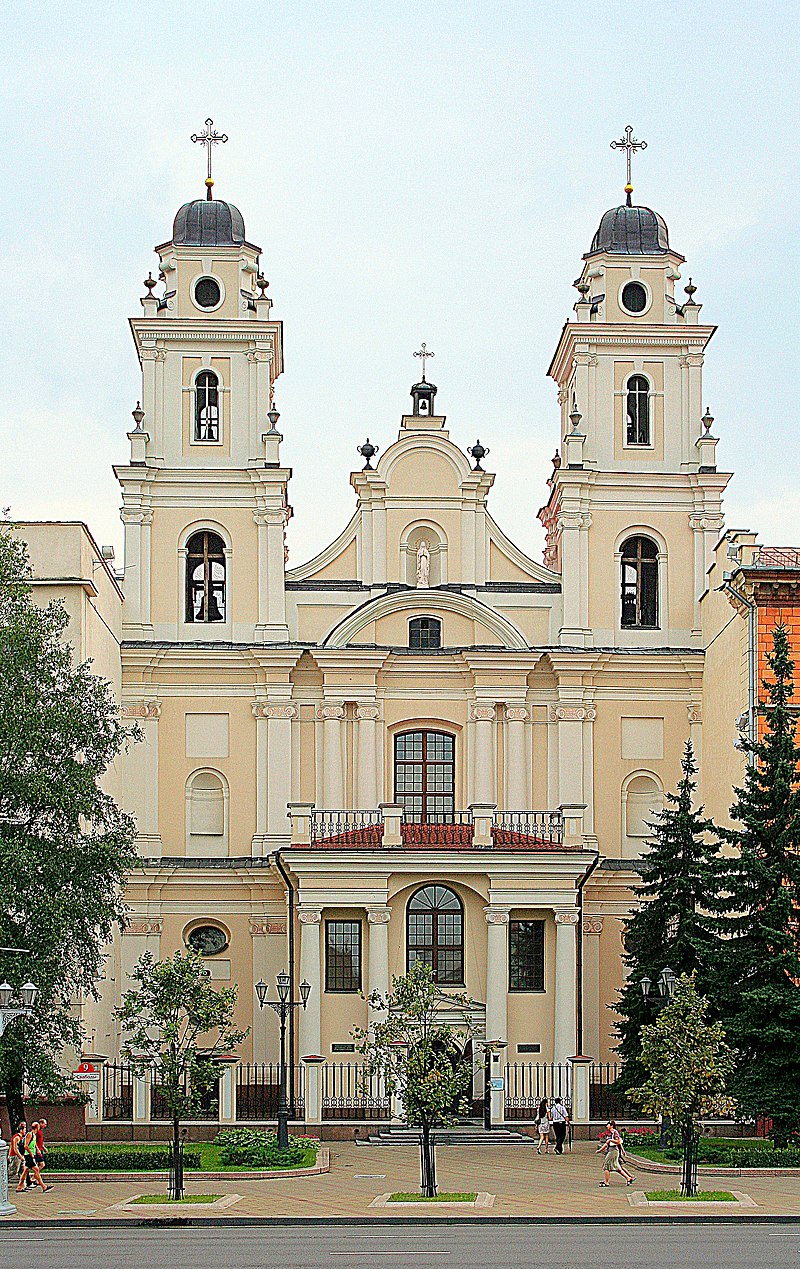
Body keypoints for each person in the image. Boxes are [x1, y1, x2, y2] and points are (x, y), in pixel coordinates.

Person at [16, 1121, 52, 1194]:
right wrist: (31, 1154)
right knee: (36, 1169)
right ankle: (43, 1186)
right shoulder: (30, 1134)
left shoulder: (34, 1135)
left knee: (25, 1171)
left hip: (31, 1154)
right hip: (28, 1155)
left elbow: (34, 1144)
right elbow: (25, 1146)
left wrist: (37, 1150)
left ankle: (19, 1187)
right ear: (37, 1127)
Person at [597, 1120, 636, 1187]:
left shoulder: (615, 1132)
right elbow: (607, 1144)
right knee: (617, 1167)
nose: (607, 1126)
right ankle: (628, 1178)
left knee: (606, 1166)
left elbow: (618, 1142)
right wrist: (600, 1150)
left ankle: (606, 1182)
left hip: (613, 1151)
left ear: (611, 1126)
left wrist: (611, 1141)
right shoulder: (610, 1133)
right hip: (611, 1151)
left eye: (608, 1125)